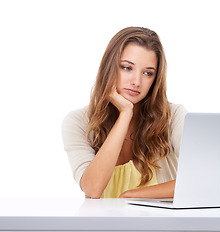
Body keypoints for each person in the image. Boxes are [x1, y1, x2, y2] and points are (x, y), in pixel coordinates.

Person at [61, 27, 187, 199]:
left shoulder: (173, 117)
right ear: (109, 68)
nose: (136, 82)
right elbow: (92, 188)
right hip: (102, 226)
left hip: (160, 226)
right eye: (127, 68)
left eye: (148, 73)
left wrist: (131, 195)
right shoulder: (78, 122)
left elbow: (203, 178)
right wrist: (125, 114)